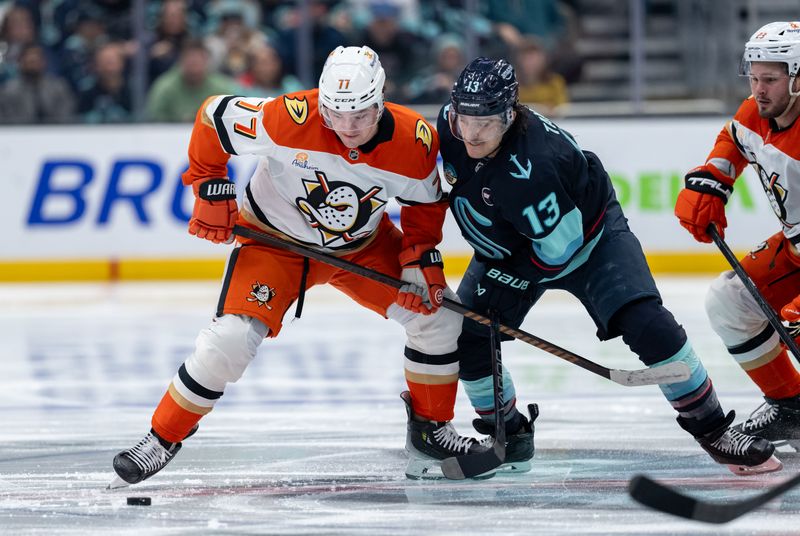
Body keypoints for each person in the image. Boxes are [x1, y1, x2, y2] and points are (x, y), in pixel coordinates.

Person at [110, 45, 481, 488]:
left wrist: (421, 255)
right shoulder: (289, 116)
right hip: (276, 245)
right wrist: (209, 183)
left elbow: (424, 204)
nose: (347, 127)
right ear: (321, 101)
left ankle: (430, 433)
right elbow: (213, 116)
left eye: (360, 115)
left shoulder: (414, 140)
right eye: (335, 113)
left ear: (381, 101)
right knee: (228, 341)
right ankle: (162, 437)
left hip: (362, 247)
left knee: (438, 318)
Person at [439, 56, 783, 475]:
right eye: (464, 120)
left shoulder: (536, 167)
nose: (471, 134)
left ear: (509, 116)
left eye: (486, 124)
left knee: (648, 325)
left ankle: (714, 431)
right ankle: (509, 434)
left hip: (590, 240)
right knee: (469, 338)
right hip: (511, 249)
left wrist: (504, 284)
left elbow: (556, 253)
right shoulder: (449, 125)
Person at [675, 21, 800, 446]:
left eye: (770, 79)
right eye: (754, 77)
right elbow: (733, 141)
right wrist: (713, 179)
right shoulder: (755, 111)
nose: (758, 89)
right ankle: (791, 406)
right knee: (730, 300)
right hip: (795, 249)